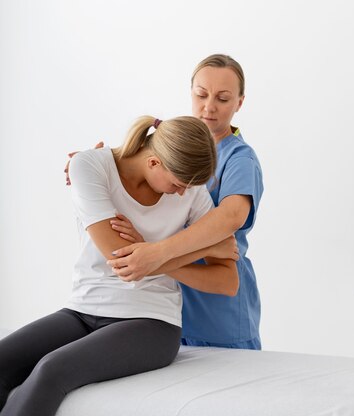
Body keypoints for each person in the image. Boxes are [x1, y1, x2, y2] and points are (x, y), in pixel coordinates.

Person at [0, 116, 239, 416]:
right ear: (154, 163)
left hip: (152, 322)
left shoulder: (192, 191)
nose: (182, 193)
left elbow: (228, 280)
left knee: (51, 370)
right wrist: (205, 245)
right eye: (177, 184)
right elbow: (122, 261)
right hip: (82, 310)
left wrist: (155, 255)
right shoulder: (89, 165)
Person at [106, 54, 264, 350]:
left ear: (239, 103)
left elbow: (230, 217)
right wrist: (90, 162)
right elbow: (129, 169)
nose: (209, 107)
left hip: (218, 312)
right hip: (164, 309)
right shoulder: (170, 143)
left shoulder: (240, 160)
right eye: (201, 94)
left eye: (223, 98)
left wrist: (158, 253)